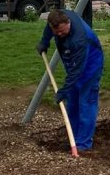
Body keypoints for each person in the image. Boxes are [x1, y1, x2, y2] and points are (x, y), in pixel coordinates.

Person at [36, 9, 104, 152]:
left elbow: (77, 72)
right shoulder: (55, 22)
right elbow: (49, 29)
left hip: (90, 67)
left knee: (86, 103)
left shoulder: (80, 39)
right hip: (73, 65)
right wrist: (44, 41)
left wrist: (63, 91)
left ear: (69, 23)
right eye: (57, 32)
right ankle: (73, 136)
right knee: (72, 102)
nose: (59, 35)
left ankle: (83, 144)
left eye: (62, 32)